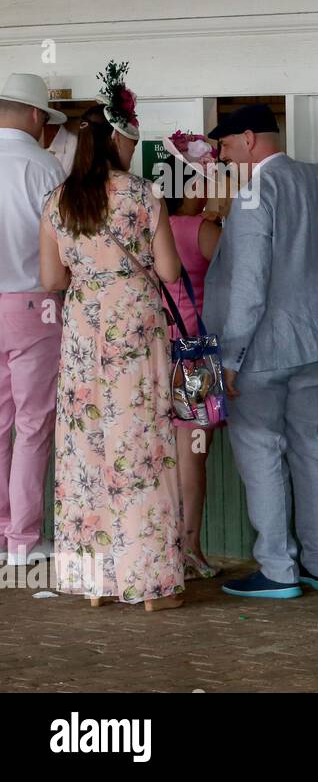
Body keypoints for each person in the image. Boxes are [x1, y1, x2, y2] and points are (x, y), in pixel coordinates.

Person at [204, 103, 318, 599]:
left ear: (250, 139)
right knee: (310, 444)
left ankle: (279, 570)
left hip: (262, 349)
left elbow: (250, 283)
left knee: (262, 451)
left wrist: (230, 356)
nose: (223, 156)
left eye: (226, 146)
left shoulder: (257, 190)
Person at [39, 69, 186, 612]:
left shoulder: (59, 201)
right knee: (140, 446)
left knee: (87, 447)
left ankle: (97, 580)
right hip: (135, 326)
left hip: (82, 330)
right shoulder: (143, 195)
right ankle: (148, 584)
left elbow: (52, 280)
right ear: (118, 139)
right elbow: (170, 271)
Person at [0, 73, 67, 567]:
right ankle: (23, 540)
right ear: (37, 116)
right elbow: (67, 248)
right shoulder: (46, 168)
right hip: (34, 306)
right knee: (34, 424)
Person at [161, 135, 224, 579]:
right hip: (196, 354)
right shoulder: (205, 231)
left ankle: (159, 547)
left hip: (155, 348)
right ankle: (190, 546)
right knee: (193, 455)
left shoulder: (153, 226)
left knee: (157, 454)